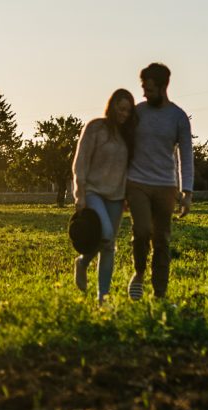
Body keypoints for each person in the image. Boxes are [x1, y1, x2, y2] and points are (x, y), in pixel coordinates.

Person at [125, 63, 194, 300]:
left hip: (166, 186)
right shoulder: (137, 113)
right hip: (136, 183)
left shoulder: (178, 117)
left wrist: (187, 192)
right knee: (142, 230)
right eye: (143, 88)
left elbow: (186, 156)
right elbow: (124, 147)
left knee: (162, 240)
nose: (144, 93)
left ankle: (160, 294)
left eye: (149, 89)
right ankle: (139, 273)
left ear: (163, 86)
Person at [72, 88, 137, 303]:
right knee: (106, 235)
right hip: (93, 191)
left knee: (109, 246)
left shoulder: (128, 135)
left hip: (116, 196)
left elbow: (129, 168)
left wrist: (127, 194)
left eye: (128, 111)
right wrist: (79, 193)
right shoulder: (95, 128)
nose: (124, 114)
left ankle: (103, 297)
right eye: (121, 109)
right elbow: (80, 162)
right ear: (112, 106)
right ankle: (82, 263)